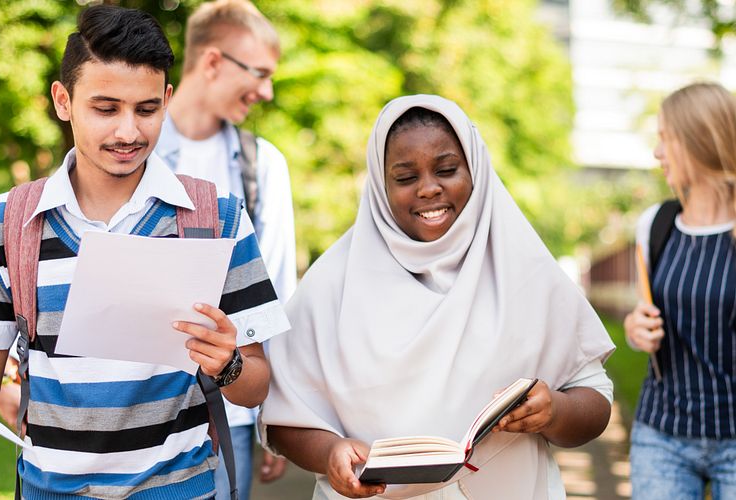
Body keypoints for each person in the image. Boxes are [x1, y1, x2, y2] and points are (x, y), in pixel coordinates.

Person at [0, 5, 290, 498]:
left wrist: (227, 363)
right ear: (63, 100)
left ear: (167, 99)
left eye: (146, 110)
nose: (128, 132)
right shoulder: (5, 223)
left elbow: (256, 383)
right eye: (105, 109)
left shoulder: (217, 217)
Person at [259, 95, 616, 499]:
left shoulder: (526, 271)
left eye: (446, 170)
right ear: (380, 184)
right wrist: (330, 454)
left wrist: (555, 410)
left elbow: (595, 400)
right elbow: (284, 417)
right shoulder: (331, 284)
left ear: (475, 170)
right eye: (405, 178)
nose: (429, 189)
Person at [153, 0, 295, 496]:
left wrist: (274, 420)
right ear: (212, 62)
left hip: (228, 417)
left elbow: (277, 296)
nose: (267, 91)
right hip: (133, 412)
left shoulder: (263, 167)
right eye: (258, 72)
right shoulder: (132, 146)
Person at [624, 82, 736, 500]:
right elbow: (644, 313)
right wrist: (637, 328)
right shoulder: (656, 224)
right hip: (663, 435)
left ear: (698, 141)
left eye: (665, 139)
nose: (657, 153)